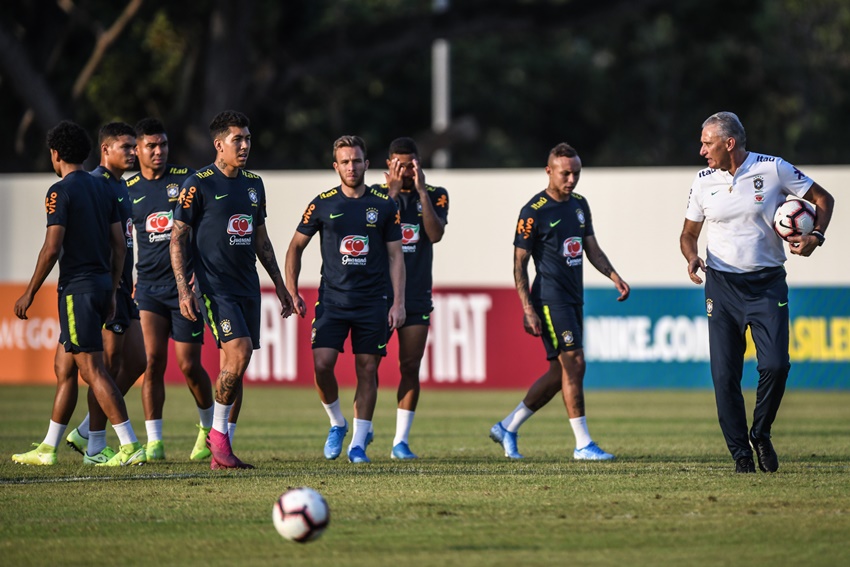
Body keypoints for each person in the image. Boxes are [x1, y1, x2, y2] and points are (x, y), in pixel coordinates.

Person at [680, 111, 835, 473]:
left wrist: (816, 236)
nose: (702, 150)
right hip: (721, 286)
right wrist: (691, 257)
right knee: (724, 377)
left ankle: (760, 433)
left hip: (766, 285)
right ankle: (741, 456)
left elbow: (823, 200)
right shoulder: (702, 182)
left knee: (776, 366)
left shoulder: (774, 169)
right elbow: (688, 234)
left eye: (707, 142)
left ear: (728, 143)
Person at [11, 120, 146, 466]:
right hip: (102, 287)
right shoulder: (105, 189)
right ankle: (49, 447)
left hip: (78, 290)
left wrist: (29, 292)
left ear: (55, 155)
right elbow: (119, 245)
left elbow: (52, 248)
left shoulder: (60, 191)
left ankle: (127, 444)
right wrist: (114, 288)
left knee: (92, 370)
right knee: (64, 366)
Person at [490, 142, 629, 460]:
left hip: (574, 297)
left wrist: (614, 276)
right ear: (549, 171)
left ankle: (508, 426)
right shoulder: (533, 211)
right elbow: (519, 263)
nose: (571, 179)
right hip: (550, 300)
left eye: (576, 173)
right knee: (575, 363)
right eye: (565, 173)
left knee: (560, 372)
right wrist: (528, 308)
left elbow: (591, 248)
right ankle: (582, 444)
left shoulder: (580, 204)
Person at [171, 110, 294, 470]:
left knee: (236, 365)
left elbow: (261, 239)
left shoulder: (254, 184)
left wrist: (280, 286)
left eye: (248, 139)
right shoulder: (198, 183)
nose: (245, 146)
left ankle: (222, 449)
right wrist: (183, 289)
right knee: (237, 354)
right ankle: (217, 439)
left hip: (248, 286)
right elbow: (177, 238)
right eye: (237, 140)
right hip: (214, 287)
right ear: (218, 145)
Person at [285, 135, 405, 464]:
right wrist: (291, 290)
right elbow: (295, 246)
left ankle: (358, 444)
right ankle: (337, 422)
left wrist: (398, 303)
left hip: (373, 301)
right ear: (335, 166)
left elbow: (396, 256)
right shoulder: (322, 203)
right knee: (322, 365)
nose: (352, 167)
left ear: (367, 164)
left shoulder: (384, 205)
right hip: (333, 301)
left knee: (367, 369)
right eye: (345, 162)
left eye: (357, 161)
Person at [124, 117, 215, 461]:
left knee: (189, 365)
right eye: (151, 145)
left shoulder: (186, 180)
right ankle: (154, 442)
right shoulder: (128, 189)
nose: (159, 151)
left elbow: (205, 228)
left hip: (185, 290)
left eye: (163, 144)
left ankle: (207, 430)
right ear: (138, 150)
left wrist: (197, 278)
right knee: (152, 363)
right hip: (147, 289)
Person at [64, 122, 147, 464]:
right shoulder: (96, 185)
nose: (133, 153)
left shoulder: (122, 186)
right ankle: (95, 445)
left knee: (138, 362)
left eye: (133, 147)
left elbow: (123, 241)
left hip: (123, 286)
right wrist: (108, 286)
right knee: (105, 366)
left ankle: (85, 430)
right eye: (126, 147)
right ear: (105, 150)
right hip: (102, 288)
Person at [372, 137, 449, 459]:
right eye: (399, 164)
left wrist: (419, 192)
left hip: (416, 294)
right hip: (377, 294)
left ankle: (400, 441)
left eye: (411, 164)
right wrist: (391, 193)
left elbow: (435, 234)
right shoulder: (374, 194)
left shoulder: (435, 195)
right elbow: (371, 234)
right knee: (368, 364)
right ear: (389, 164)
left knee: (410, 365)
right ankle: (362, 431)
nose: (405, 171)